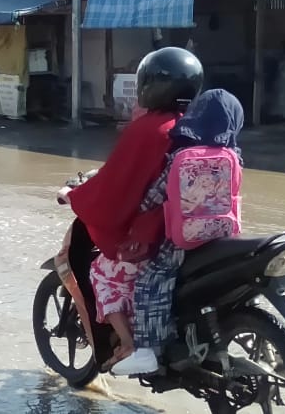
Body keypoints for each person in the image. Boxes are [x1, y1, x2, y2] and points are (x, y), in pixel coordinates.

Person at [57, 47, 203, 372]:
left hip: (156, 237)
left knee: (101, 273)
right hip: (199, 233)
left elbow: (113, 188)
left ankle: (128, 343)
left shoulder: (151, 129)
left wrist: (74, 195)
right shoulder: (199, 126)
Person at [112, 88, 246, 376]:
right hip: (223, 236)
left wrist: (136, 210)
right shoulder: (233, 155)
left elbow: (155, 197)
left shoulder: (182, 155)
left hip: (183, 241)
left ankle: (147, 351)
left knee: (150, 281)